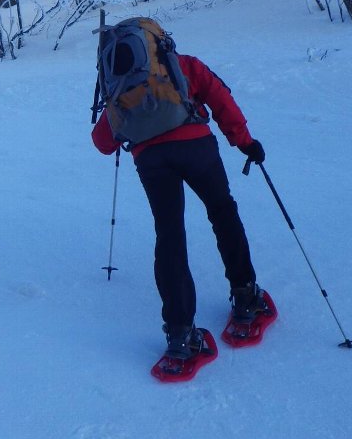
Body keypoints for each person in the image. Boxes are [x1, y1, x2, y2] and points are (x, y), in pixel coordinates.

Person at [90, 24, 271, 361]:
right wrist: (245, 143)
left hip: (151, 161)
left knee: (169, 236)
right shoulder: (183, 65)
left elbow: (102, 143)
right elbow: (220, 99)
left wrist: (116, 106)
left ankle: (180, 335)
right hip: (197, 147)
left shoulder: (120, 87)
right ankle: (246, 297)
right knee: (222, 211)